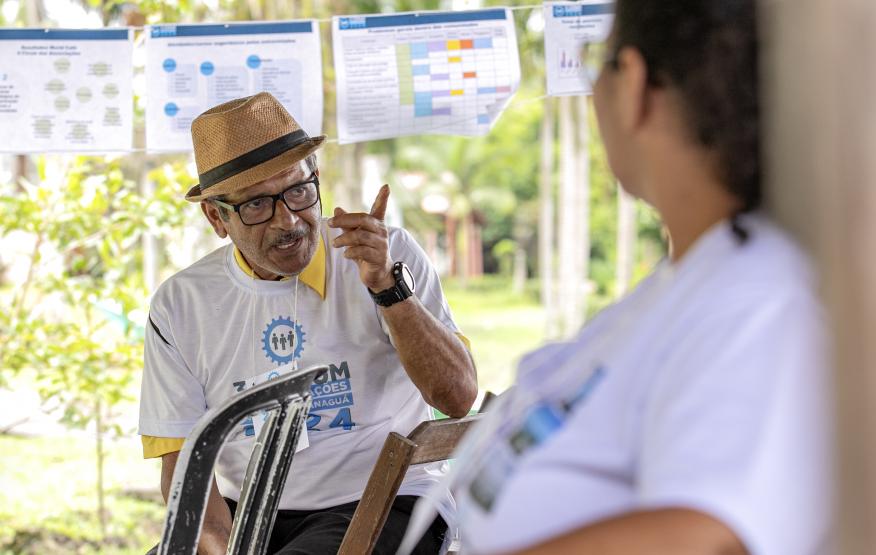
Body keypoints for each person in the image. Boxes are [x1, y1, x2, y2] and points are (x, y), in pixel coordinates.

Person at [405, 1, 832, 554]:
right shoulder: (693, 280)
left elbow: (705, 536)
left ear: (633, 86)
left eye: (595, 65)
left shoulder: (758, 295)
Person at [139, 92, 477, 555]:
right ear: (216, 217)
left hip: (385, 502)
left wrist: (388, 289)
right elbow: (183, 470)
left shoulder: (385, 254)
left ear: (316, 179)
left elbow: (457, 398)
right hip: (249, 512)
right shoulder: (182, 304)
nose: (290, 220)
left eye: (298, 191)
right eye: (257, 205)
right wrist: (218, 547)